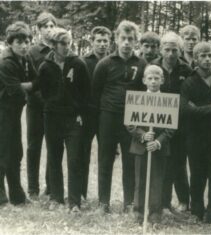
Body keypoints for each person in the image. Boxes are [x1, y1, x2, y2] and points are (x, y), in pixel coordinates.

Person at [92, 20, 146, 213]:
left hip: (131, 119)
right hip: (108, 117)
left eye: (130, 39)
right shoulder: (105, 63)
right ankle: (103, 202)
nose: (126, 43)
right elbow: (95, 92)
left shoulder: (141, 64)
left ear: (135, 41)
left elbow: (144, 92)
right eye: (123, 38)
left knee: (130, 161)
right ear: (116, 39)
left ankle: (129, 202)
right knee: (105, 159)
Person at [181, 42, 211, 229]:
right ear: (195, 58)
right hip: (195, 135)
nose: (207, 59)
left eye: (210, 55)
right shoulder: (189, 81)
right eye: (202, 55)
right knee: (197, 174)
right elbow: (185, 110)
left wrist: (199, 109)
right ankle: (196, 211)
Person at [38, 28, 89, 213]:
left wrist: (79, 112)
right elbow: (43, 93)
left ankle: (74, 202)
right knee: (54, 158)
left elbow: (86, 92)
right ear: (53, 45)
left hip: (73, 119)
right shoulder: (45, 66)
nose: (67, 47)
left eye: (69, 43)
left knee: (74, 159)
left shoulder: (78, 64)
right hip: (51, 118)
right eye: (63, 44)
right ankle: (56, 198)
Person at [151, 32, 192, 214]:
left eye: (174, 50)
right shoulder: (152, 67)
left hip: (181, 123)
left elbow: (188, 95)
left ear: (180, 51)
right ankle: (164, 203)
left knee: (179, 162)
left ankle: (184, 201)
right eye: (167, 50)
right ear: (161, 50)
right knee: (162, 163)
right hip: (158, 123)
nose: (170, 54)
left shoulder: (186, 69)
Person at [128, 65, 174, 224]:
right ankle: (139, 213)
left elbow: (170, 127)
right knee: (140, 181)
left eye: (156, 78)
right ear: (144, 80)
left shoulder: (168, 101)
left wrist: (158, 141)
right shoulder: (136, 99)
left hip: (159, 148)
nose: (153, 82)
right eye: (150, 78)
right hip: (141, 147)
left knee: (157, 181)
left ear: (162, 80)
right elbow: (130, 124)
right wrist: (143, 135)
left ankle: (155, 214)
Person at [0, 21, 36, 205]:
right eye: (19, 42)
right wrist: (34, 85)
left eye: (26, 41)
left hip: (13, 112)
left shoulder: (26, 58)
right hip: (2, 113)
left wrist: (33, 85)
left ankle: (17, 195)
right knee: (3, 153)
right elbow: (17, 89)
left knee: (16, 153)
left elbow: (34, 80)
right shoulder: (6, 62)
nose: (24, 46)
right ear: (10, 43)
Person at [27, 11, 57, 200]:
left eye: (52, 26)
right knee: (33, 146)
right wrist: (42, 99)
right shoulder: (32, 52)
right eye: (45, 26)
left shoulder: (59, 50)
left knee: (53, 146)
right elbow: (30, 80)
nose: (49, 29)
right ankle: (32, 188)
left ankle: (51, 186)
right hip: (35, 106)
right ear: (38, 30)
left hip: (54, 108)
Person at [81, 26, 111, 200]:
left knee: (105, 156)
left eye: (105, 41)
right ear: (92, 42)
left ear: (109, 42)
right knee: (83, 153)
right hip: (88, 114)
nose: (101, 44)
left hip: (106, 115)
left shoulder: (113, 62)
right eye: (98, 41)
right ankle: (82, 193)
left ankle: (103, 199)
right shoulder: (83, 61)